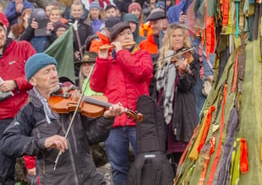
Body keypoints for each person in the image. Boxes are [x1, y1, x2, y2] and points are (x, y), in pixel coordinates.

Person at [0, 53, 124, 184]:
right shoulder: (29, 111)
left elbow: (93, 136)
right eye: (46, 71)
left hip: (90, 179)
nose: (53, 75)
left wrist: (106, 118)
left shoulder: (73, 98)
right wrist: (43, 142)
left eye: (54, 69)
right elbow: (8, 141)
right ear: (33, 81)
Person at [90, 22, 153, 185]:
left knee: (146, 165)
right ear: (114, 39)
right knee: (119, 168)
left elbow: (141, 72)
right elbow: (95, 86)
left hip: (137, 119)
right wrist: (102, 60)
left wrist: (122, 53)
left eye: (129, 33)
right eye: (122, 34)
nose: (127, 36)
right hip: (115, 122)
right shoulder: (108, 61)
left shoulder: (142, 55)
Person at [155, 23, 199, 170]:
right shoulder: (164, 58)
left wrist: (182, 73)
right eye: (174, 36)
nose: (177, 38)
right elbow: (157, 87)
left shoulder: (190, 56)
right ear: (169, 38)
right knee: (167, 156)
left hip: (181, 109)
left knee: (182, 153)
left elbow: (188, 85)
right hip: (165, 109)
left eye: (180, 35)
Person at [0, 19, 36, 185]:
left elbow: (38, 73)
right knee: (3, 170)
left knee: (37, 166)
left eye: (0, 29)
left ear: (5, 30)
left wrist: (15, 83)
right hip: (2, 118)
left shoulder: (23, 47)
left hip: (27, 114)